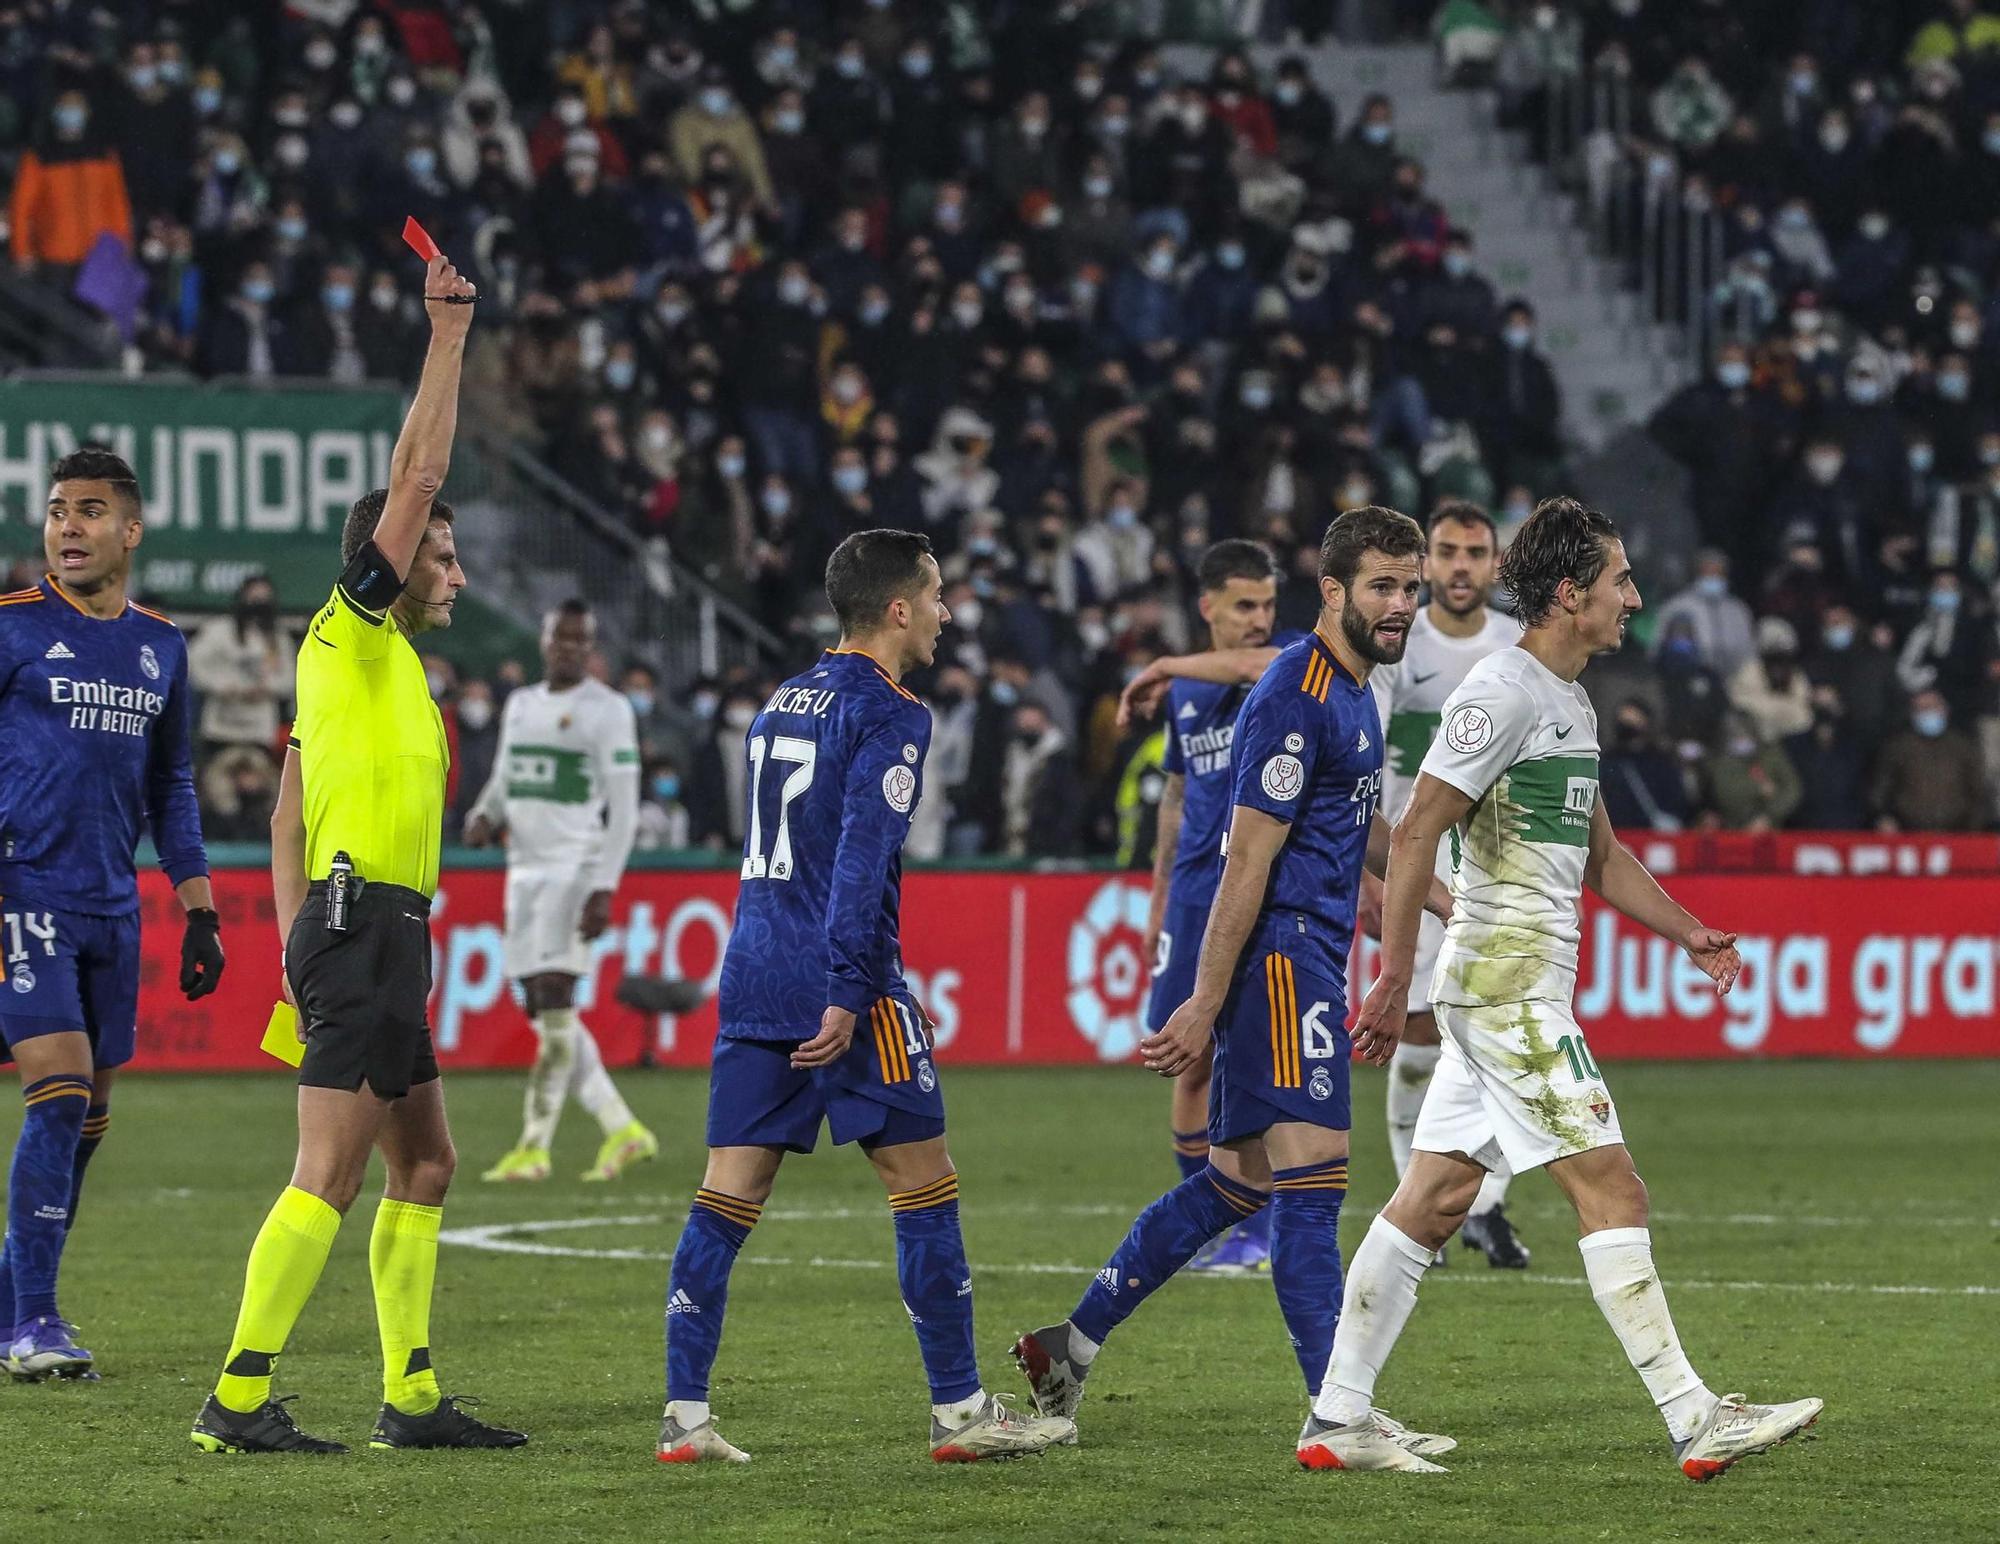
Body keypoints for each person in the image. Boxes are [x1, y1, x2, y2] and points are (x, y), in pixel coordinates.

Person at [1301, 498, 1821, 1479]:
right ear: (1568, 593)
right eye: (1618, 579)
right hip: (1503, 987)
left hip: (1510, 985)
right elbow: (1413, 829)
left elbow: (1603, 856)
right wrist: (1387, 972)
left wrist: (1687, 933)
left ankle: (1335, 1414)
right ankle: (1691, 1412)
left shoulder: (1565, 700)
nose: (1632, 596)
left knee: (1435, 1193)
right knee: (1611, 1184)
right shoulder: (1500, 692)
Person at [1012, 509, 1453, 1444]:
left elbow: (1359, 823)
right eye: (1383, 585)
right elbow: (1244, 862)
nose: (1401, 604)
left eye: (1409, 587)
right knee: (1315, 1186)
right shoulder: (1296, 691)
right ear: (1331, 592)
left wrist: (1443, 898)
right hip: (1282, 964)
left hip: (1306, 957)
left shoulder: (1352, 691)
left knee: (1233, 1187)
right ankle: (1340, 1415)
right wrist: (1206, 1001)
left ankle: (1071, 1344)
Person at [191, 253, 527, 1455]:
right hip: (359, 929)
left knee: (426, 1162)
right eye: (442, 554)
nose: (457, 569)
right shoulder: (352, 623)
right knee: (325, 1174)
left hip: (376, 932)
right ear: (384, 559)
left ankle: (413, 1397)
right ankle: (235, 1394)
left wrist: (289, 939)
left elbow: (286, 812)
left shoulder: (380, 680)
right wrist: (447, 335)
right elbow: (421, 468)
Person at [660, 529, 1074, 1465]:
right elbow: (859, 859)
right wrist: (854, 989)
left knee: (727, 1194)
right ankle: (963, 1415)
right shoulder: (891, 713)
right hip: (842, 983)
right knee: (924, 1184)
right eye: (934, 596)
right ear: (897, 608)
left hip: (755, 966)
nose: (945, 612)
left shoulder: (781, 699)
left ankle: (685, 1420)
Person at [0, 447, 223, 1379]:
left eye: (89, 512)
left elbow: (171, 783)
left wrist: (199, 905)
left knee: (88, 1117)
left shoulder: (161, 646)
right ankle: (34, 1324)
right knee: (55, 1094)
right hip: (25, 895)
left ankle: (13, 1303)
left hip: (113, 910)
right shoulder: (10, 627)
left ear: (129, 531)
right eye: (56, 511)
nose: (68, 528)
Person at [1361, 502, 1528, 1269]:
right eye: (1448, 552)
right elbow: (1371, 779)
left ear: (1497, 563)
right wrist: (1378, 877)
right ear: (1427, 562)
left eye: (1475, 553)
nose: (1461, 566)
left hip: (1495, 866)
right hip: (1414, 863)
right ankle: (1417, 1207)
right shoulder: (1400, 644)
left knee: (1497, 1035)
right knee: (1423, 1031)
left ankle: (1485, 1206)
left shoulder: (1514, 649)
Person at [466, 599, 655, 1184]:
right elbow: (506, 773)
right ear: (544, 639)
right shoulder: (521, 705)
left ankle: (534, 1146)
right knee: (542, 1007)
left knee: (554, 997)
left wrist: (604, 887)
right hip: (522, 872)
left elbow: (623, 812)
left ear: (591, 645)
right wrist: (483, 812)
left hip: (573, 870)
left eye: (581, 640)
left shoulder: (608, 711)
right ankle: (622, 1127)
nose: (569, 649)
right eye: (560, 638)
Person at [1137, 541, 1280, 1274]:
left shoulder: (1283, 668)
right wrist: (1160, 898)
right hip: (1194, 896)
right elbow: (1178, 791)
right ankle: (1209, 1220)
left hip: (1255, 892)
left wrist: (1163, 665)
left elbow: (1255, 667)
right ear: (1209, 608)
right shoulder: (1189, 696)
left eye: (1267, 604)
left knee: (1251, 1060)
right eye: (1244, 606)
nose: (1261, 620)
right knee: (1185, 1063)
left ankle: (1261, 1227)